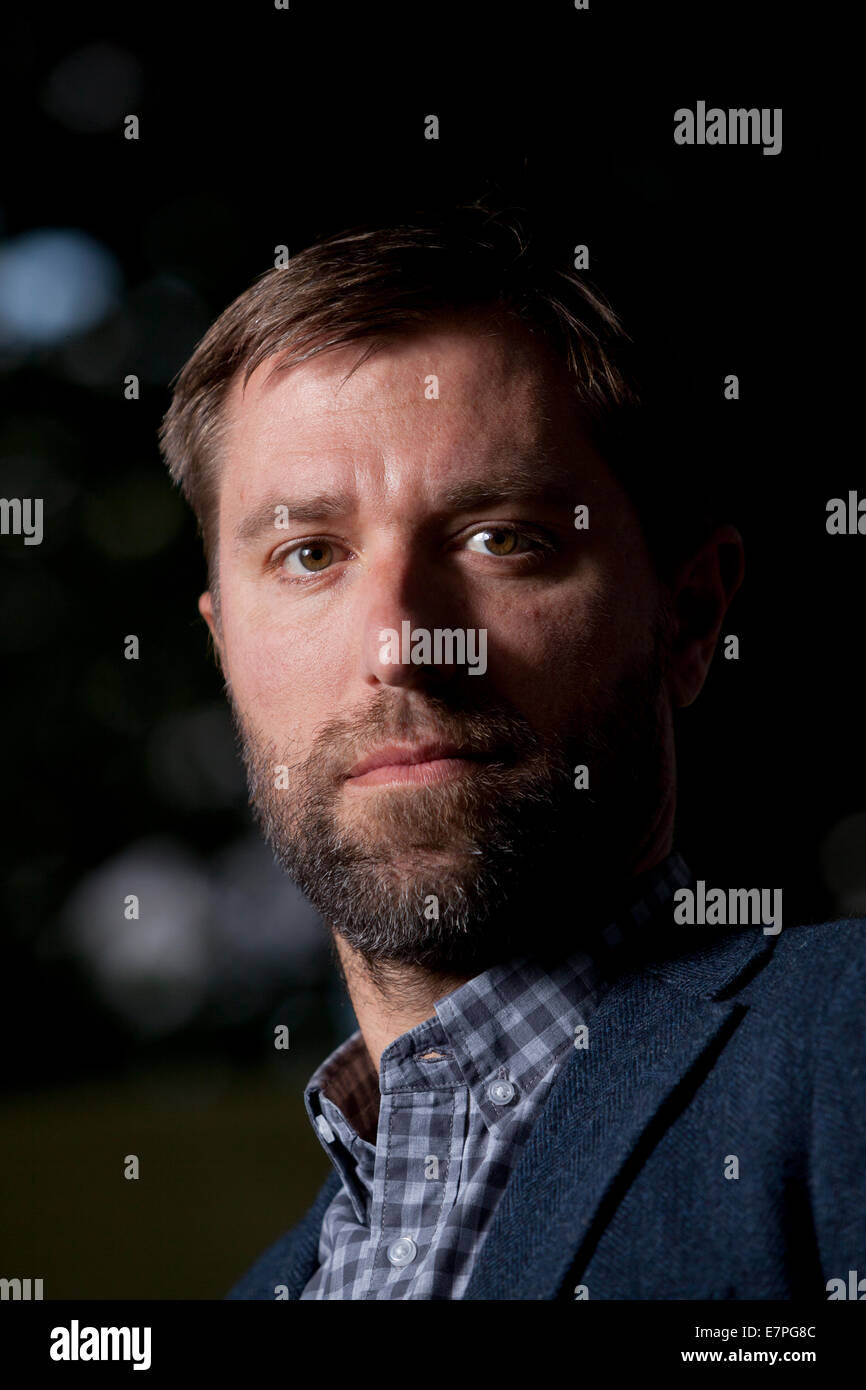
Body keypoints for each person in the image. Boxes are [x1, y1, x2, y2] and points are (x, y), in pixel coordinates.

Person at [159, 204, 866, 1300]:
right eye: (307, 554)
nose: (399, 644)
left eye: (501, 537)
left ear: (683, 618)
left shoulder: (839, 1058)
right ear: (224, 648)